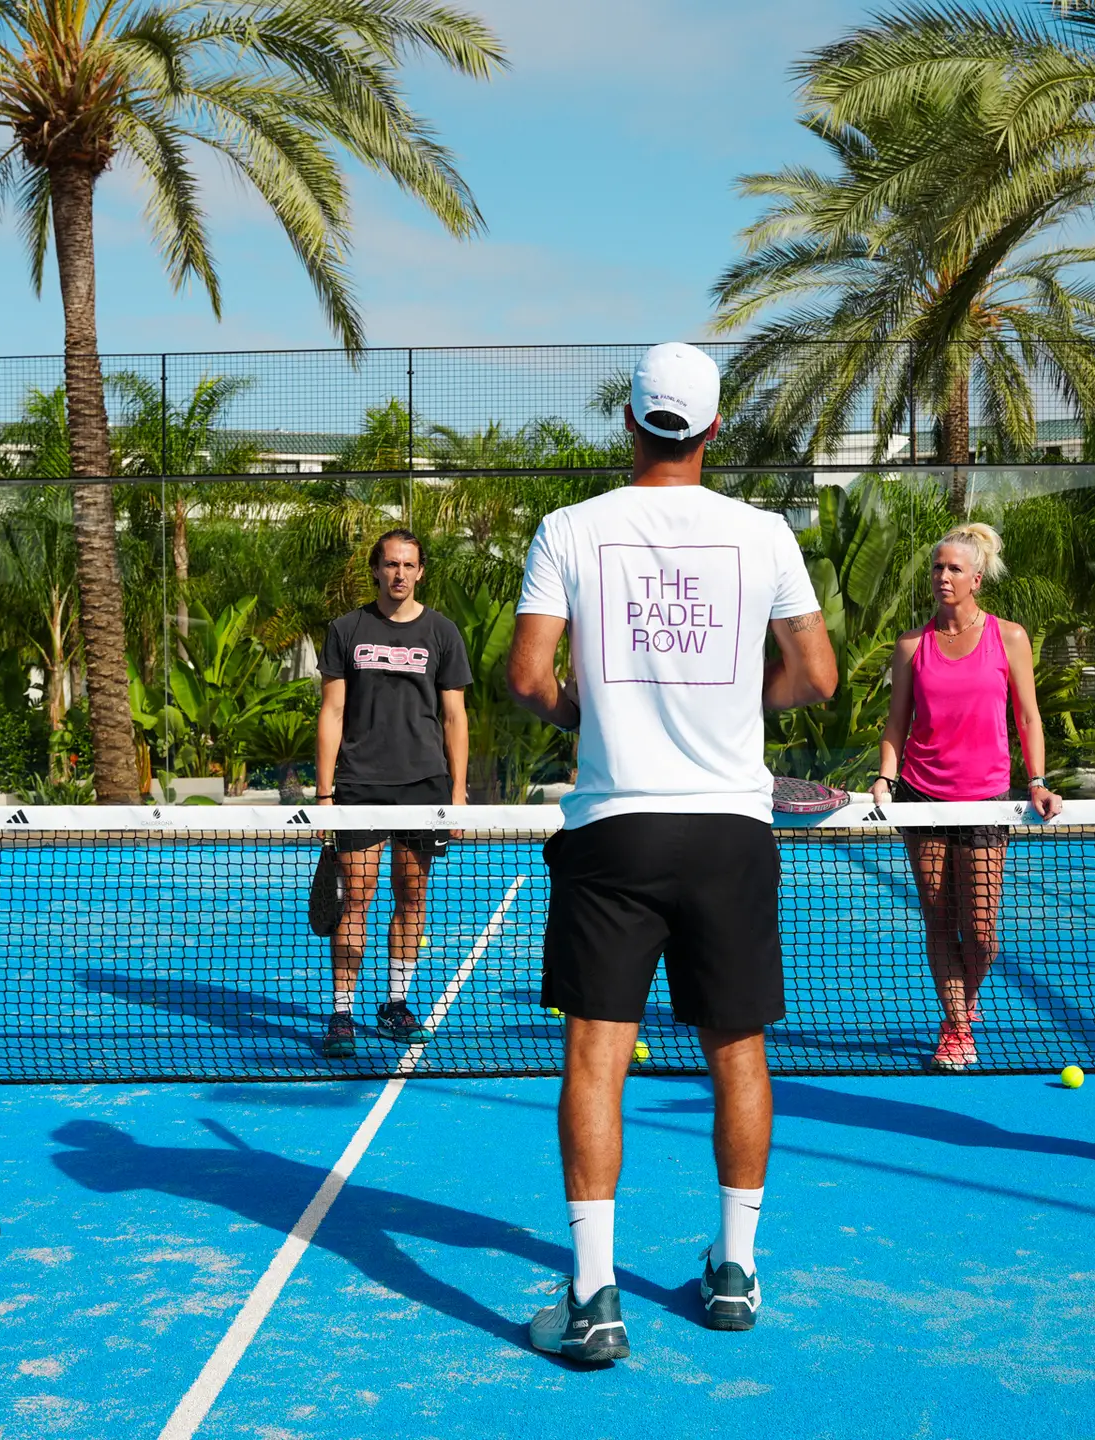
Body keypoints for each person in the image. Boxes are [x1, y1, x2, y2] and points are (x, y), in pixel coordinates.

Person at [507, 342, 837, 1362]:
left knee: (595, 1057)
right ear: (714, 428)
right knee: (738, 1053)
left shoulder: (569, 528)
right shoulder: (765, 532)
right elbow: (817, 676)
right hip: (732, 830)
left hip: (615, 829)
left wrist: (588, 714)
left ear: (629, 421)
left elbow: (527, 678)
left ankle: (594, 1297)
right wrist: (736, 701)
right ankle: (734, 1272)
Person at [871, 523, 1061, 1073]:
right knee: (938, 917)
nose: (943, 576)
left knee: (979, 931)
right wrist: (885, 778)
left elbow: (1028, 717)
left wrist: (1037, 780)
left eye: (955, 568)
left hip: (986, 800)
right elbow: (896, 723)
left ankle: (965, 1002)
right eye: (938, 567)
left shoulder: (1010, 637)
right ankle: (956, 1028)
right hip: (922, 796)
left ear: (977, 578)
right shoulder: (912, 645)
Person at [314, 529, 472, 1060]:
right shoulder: (346, 630)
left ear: (420, 572)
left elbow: (455, 717)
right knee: (356, 898)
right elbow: (332, 711)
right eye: (390, 564)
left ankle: (395, 1004)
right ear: (375, 570)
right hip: (360, 786)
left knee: (412, 897)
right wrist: (324, 794)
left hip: (425, 787)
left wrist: (458, 793)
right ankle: (342, 1013)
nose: (399, 573)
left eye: (408, 565)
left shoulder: (442, 632)